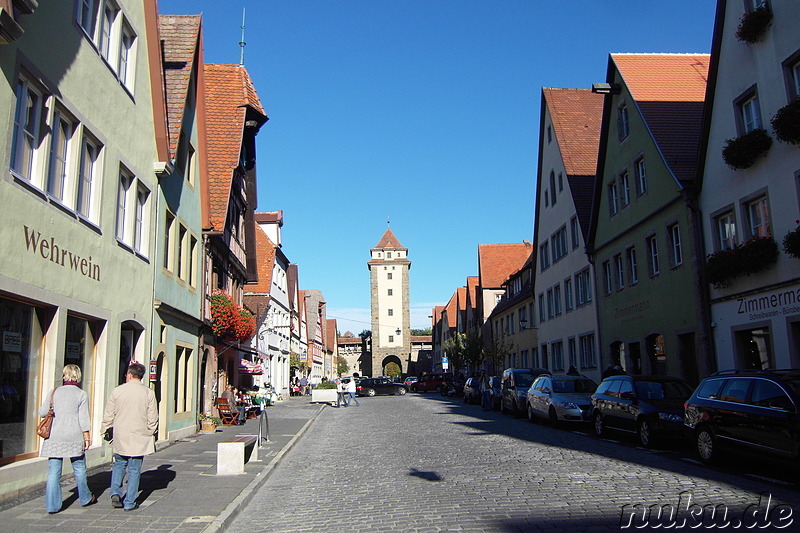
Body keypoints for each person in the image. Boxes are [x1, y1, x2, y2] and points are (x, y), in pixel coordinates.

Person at [38, 364, 96, 514]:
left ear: (65, 376)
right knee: (79, 469)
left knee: (53, 472)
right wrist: (87, 436)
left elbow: (43, 412)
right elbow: (83, 418)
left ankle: (52, 506)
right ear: (78, 376)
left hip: (55, 437)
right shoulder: (81, 394)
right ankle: (85, 498)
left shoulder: (54, 392)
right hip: (74, 436)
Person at [101, 362, 158, 511]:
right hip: (139, 436)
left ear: (129, 375)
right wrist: (150, 431)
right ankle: (130, 502)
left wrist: (105, 429)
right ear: (141, 376)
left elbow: (109, 413)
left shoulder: (118, 391)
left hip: (121, 435)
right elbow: (153, 417)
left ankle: (115, 492)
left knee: (119, 464)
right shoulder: (148, 393)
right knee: (134, 469)